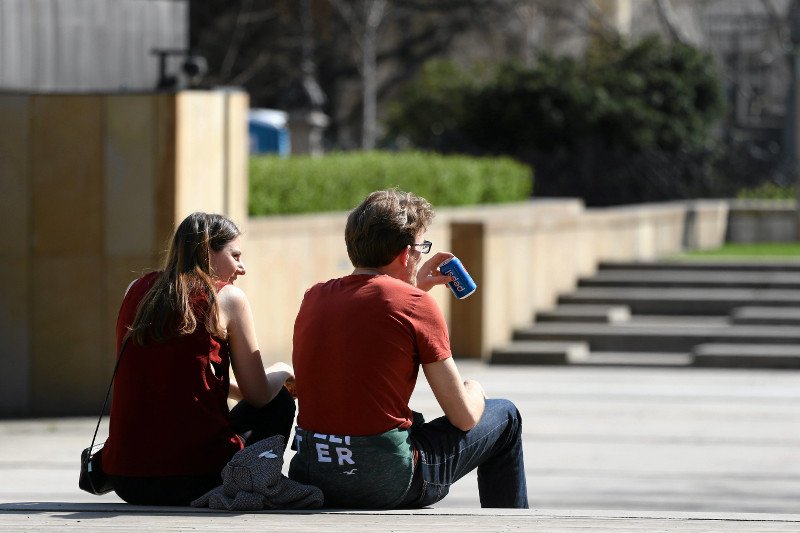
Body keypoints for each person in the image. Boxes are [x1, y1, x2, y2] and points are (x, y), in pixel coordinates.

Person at [288, 189, 527, 509]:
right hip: (385, 482)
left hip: (314, 474)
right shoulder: (416, 305)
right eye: (420, 247)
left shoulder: (314, 296)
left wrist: (414, 288)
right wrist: (474, 389)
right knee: (505, 416)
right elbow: (464, 417)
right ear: (404, 254)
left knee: (412, 420)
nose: (421, 255)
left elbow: (369, 315)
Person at [101, 212, 296, 506]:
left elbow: (183, 377)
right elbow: (259, 396)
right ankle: (254, 482)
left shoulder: (136, 291)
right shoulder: (227, 298)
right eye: (235, 255)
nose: (241, 268)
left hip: (125, 479)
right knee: (277, 401)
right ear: (207, 252)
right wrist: (283, 371)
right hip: (194, 479)